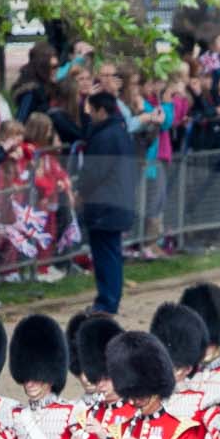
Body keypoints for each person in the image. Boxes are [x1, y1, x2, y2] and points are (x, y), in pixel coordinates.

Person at [76, 91, 139, 313]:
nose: (90, 115)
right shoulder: (120, 132)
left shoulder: (105, 136)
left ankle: (107, 302)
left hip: (105, 205)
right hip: (116, 202)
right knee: (110, 253)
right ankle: (109, 299)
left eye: (92, 110)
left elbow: (94, 172)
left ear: (102, 111)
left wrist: (80, 193)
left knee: (106, 256)